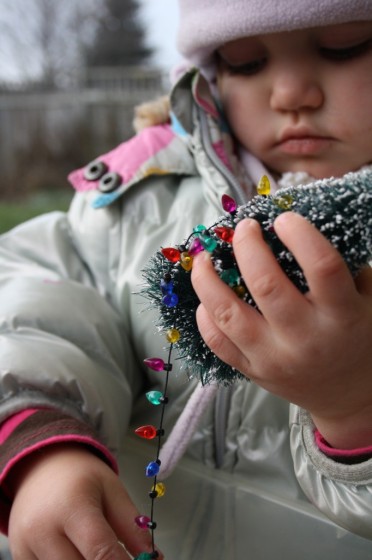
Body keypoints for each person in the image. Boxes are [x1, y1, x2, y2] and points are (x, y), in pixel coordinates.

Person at [0, 1, 372, 558]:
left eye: (344, 46)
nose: (291, 93)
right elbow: (37, 292)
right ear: (211, 74)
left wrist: (351, 405)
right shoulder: (142, 198)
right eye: (246, 60)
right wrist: (41, 441)